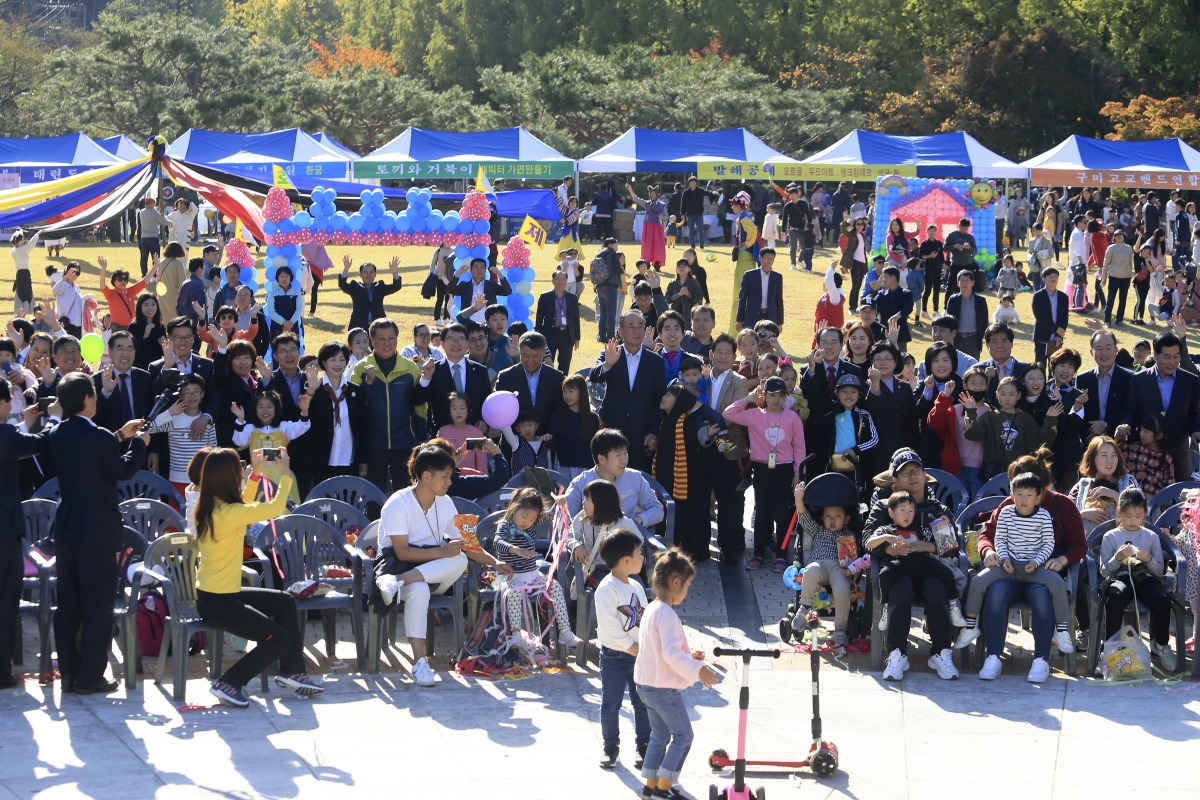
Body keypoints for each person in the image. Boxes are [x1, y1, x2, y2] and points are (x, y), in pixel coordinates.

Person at [192, 447, 323, 705]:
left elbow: (242, 505)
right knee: (279, 638)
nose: (242, 471)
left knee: (284, 602)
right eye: (239, 469)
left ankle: (292, 672)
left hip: (221, 595)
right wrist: (286, 473)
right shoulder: (228, 513)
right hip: (220, 603)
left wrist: (256, 474)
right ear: (227, 477)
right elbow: (273, 508)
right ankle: (230, 682)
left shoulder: (215, 507)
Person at [374, 445, 511, 686]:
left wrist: (496, 562)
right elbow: (401, 551)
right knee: (419, 589)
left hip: (420, 575)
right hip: (396, 566)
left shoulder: (445, 502)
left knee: (458, 557)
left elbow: (469, 544)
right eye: (446, 476)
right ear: (426, 476)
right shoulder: (398, 502)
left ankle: (399, 583)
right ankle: (419, 663)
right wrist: (441, 551)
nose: (450, 481)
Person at [50, 372, 148, 694]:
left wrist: (119, 435)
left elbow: (89, 453)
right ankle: (91, 676)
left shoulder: (58, 433)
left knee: (69, 605)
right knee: (97, 605)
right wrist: (137, 444)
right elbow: (122, 470)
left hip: (67, 530)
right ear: (88, 399)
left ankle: (69, 674)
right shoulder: (100, 436)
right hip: (97, 532)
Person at [861, 450, 961, 681]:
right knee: (901, 586)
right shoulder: (887, 506)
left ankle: (941, 652)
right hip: (897, 570)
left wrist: (931, 547)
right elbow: (866, 537)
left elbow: (952, 547)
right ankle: (897, 653)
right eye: (906, 472)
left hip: (930, 568)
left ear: (925, 475)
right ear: (895, 480)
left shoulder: (937, 509)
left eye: (917, 471)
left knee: (937, 586)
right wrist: (886, 548)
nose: (913, 476)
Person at [955, 471, 1076, 658]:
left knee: (1058, 583)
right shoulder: (1005, 512)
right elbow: (1000, 539)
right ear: (1012, 495)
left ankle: (1061, 630)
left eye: (1029, 495)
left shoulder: (1044, 516)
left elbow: (1048, 544)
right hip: (1008, 566)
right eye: (1019, 495)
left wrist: (1036, 562)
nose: (1023, 500)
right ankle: (971, 625)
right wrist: (1003, 558)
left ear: (1038, 498)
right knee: (978, 581)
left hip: (1034, 567)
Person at [634, 548, 719, 800]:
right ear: (675, 582)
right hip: (662, 688)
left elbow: (661, 651)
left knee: (660, 735)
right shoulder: (667, 614)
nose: (687, 590)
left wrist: (689, 657)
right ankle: (663, 788)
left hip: (647, 685)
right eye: (688, 585)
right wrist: (698, 670)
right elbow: (670, 654)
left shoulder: (652, 609)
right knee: (684, 735)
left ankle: (650, 784)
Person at [723, 376, 805, 571]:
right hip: (761, 469)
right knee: (762, 512)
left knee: (781, 513)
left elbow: (799, 447)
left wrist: (798, 474)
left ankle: (782, 555)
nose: (776, 400)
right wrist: (749, 399)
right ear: (765, 396)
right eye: (772, 395)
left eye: (780, 396)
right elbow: (729, 414)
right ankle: (759, 554)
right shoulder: (755, 414)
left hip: (784, 469)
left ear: (785, 397)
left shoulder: (792, 417)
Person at [0, 378, 50, 685]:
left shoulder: (9, 434)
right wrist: (49, 418)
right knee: (6, 600)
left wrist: (25, 426)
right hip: (4, 532)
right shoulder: (6, 433)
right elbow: (41, 443)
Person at [349, 319, 434, 493]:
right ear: (372, 340)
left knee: (405, 494)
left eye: (391, 338)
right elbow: (356, 407)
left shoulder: (410, 368)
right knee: (373, 495)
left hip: (404, 443)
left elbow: (419, 406)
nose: (387, 343)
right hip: (373, 445)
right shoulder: (361, 368)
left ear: (397, 338)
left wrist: (419, 436)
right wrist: (369, 384)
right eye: (381, 338)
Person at [491, 487, 581, 647]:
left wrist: (558, 504)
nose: (527, 522)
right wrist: (516, 550)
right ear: (514, 508)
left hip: (531, 574)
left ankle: (564, 631)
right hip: (510, 576)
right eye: (524, 517)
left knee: (555, 587)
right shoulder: (505, 524)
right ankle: (516, 635)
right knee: (514, 592)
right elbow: (497, 542)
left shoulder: (534, 522)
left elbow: (551, 516)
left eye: (532, 520)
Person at [1099, 488, 1177, 671]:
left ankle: (1161, 644)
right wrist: (1117, 558)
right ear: (1119, 513)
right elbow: (1103, 571)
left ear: (1145, 515)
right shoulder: (1110, 536)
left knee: (1162, 602)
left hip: (1147, 578)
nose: (1133, 521)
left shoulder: (1150, 536)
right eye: (1128, 516)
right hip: (1120, 577)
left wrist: (1148, 558)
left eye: (1138, 516)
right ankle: (1110, 649)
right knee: (1115, 600)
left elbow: (1159, 571)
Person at [594, 529, 650, 771]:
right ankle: (610, 747)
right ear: (626, 560)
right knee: (611, 703)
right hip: (615, 658)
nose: (643, 558)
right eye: (640, 553)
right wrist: (632, 647)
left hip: (639, 656)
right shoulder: (607, 589)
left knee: (643, 702)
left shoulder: (636, 586)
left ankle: (644, 745)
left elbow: (645, 618)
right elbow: (609, 628)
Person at [589, 312, 667, 472]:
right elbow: (594, 377)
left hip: (642, 432)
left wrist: (654, 432)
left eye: (640, 327)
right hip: (612, 426)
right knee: (609, 475)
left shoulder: (656, 361)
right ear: (620, 331)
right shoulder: (610, 353)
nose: (637, 331)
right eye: (632, 327)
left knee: (640, 477)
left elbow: (658, 398)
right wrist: (608, 364)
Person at [1118, 332, 1200, 482]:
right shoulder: (1139, 380)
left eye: (1176, 356)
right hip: (1146, 457)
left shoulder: (1191, 381)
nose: (1172, 362)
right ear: (1155, 355)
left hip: (1179, 457)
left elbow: (1195, 413)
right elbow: (1132, 412)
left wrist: (1196, 430)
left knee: (1180, 501)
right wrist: (1126, 425)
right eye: (1167, 357)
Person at [292, 339, 369, 490]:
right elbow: (302, 420)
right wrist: (311, 392)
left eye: (342, 360)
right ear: (323, 362)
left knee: (347, 504)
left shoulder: (356, 391)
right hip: (321, 460)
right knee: (324, 507)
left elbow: (363, 427)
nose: (338, 364)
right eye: (332, 360)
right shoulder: (313, 388)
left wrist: (363, 459)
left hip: (349, 459)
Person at [563, 428, 666, 531]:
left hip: (627, 541)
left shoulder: (635, 478)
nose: (624, 460)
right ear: (602, 459)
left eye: (625, 453)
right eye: (619, 455)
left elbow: (657, 509)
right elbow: (566, 521)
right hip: (591, 543)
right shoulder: (580, 483)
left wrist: (635, 520)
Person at [495, 331, 564, 438]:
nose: (530, 361)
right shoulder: (506, 377)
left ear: (544, 352)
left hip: (547, 441)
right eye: (526, 356)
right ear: (519, 351)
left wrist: (551, 434)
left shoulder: (556, 377)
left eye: (536, 356)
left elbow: (561, 410)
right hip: (514, 442)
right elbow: (498, 409)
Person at [423, 323, 490, 434]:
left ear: (467, 343)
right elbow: (418, 399)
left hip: (474, 433)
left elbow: (487, 402)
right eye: (451, 339)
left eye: (461, 339)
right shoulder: (433, 370)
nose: (456, 343)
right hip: (443, 435)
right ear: (442, 344)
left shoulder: (480, 371)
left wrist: (483, 421)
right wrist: (426, 377)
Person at [549, 374, 599, 480]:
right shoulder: (558, 414)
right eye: (564, 391)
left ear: (581, 392)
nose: (567, 395)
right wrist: (547, 440)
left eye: (571, 391)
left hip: (586, 467)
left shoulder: (593, 418)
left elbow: (595, 446)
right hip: (564, 465)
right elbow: (552, 441)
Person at [338, 255, 401, 332]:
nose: (368, 275)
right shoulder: (355, 287)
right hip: (358, 324)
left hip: (378, 325)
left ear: (375, 274)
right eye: (365, 272)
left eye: (371, 272)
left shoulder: (380, 286)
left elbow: (396, 287)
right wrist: (345, 270)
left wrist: (395, 273)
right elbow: (343, 285)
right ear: (360, 274)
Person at [535, 271, 581, 374]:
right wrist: (538, 336)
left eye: (563, 278)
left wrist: (577, 338)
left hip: (567, 335)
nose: (561, 281)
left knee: (565, 364)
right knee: (547, 363)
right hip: (550, 334)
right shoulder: (545, 297)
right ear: (553, 281)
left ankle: (562, 386)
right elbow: (539, 318)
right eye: (558, 278)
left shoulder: (572, 298)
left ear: (567, 281)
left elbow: (576, 319)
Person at [1117, 416, 1174, 498]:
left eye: (1146, 432)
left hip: (1152, 500)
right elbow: (1117, 449)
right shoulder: (1133, 448)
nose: (1142, 434)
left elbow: (1169, 486)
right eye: (1141, 430)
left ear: (1159, 436)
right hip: (1128, 496)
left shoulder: (1166, 459)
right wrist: (1120, 435)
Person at [734, 246, 783, 332]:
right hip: (752, 316)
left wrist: (779, 323)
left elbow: (779, 301)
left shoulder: (777, 277)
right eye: (768, 258)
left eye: (772, 258)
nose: (770, 261)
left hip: (770, 316)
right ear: (760, 258)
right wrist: (739, 320)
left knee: (768, 343)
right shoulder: (749, 275)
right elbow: (742, 299)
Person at [454, 257, 515, 326]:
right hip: (468, 324)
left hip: (488, 324)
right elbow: (450, 290)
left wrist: (499, 275)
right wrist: (458, 273)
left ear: (485, 270)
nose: (479, 269)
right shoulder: (465, 285)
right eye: (476, 267)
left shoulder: (491, 285)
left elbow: (507, 291)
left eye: (482, 267)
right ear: (471, 269)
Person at [945, 270, 989, 360]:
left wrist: (980, 336)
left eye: (967, 280)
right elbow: (947, 320)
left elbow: (985, 321)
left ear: (972, 282)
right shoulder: (953, 300)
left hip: (973, 340)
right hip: (957, 339)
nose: (964, 283)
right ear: (958, 283)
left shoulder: (980, 301)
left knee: (973, 367)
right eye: (962, 280)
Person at [97, 256, 149, 331]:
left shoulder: (130, 291)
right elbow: (102, 286)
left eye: (125, 279)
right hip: (118, 329)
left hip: (131, 328)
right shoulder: (111, 294)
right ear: (114, 281)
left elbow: (145, 281)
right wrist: (103, 269)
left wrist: (156, 266)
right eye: (120, 279)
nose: (123, 281)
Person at [1030, 267, 1069, 366]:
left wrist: (1059, 334)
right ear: (1043, 279)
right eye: (1050, 276)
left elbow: (1065, 317)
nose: (1053, 279)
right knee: (1040, 367)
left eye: (1055, 276)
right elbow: (1039, 316)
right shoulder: (1038, 296)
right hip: (1042, 337)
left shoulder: (1063, 297)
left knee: (1055, 367)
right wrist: (1056, 329)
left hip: (1056, 340)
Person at [626, 183, 668, 267]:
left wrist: (663, 217)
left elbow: (666, 216)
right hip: (648, 226)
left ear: (656, 194)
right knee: (648, 244)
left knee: (658, 244)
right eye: (651, 193)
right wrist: (630, 189)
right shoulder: (646, 203)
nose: (653, 195)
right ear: (649, 194)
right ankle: (647, 262)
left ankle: (657, 263)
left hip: (657, 226)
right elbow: (636, 198)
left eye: (654, 193)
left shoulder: (662, 205)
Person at [593, 238, 624, 342]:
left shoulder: (599, 254)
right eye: (616, 244)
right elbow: (617, 268)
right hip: (610, 286)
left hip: (600, 286)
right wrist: (621, 269)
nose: (617, 246)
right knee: (611, 314)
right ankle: (610, 337)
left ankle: (601, 336)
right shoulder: (612, 254)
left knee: (603, 313)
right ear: (610, 244)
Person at [265, 266, 304, 344]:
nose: (284, 279)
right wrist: (284, 323)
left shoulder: (296, 293)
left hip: (293, 325)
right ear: (277, 278)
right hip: (277, 325)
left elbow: (298, 310)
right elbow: (271, 312)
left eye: (286, 276)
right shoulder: (273, 293)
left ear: (290, 278)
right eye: (281, 276)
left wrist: (290, 324)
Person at [127, 294, 166, 372]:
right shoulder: (133, 327)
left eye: (153, 304)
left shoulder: (160, 327)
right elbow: (131, 350)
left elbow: (163, 354)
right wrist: (145, 336)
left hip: (156, 369)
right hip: (138, 368)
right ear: (140, 307)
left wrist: (163, 345)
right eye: (146, 305)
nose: (150, 308)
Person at [680, 176, 716, 250]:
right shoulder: (686, 193)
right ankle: (692, 245)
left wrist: (712, 192)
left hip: (699, 214)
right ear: (689, 183)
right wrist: (682, 214)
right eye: (691, 182)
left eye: (694, 182)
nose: (693, 184)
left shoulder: (700, 190)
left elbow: (707, 192)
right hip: (689, 214)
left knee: (701, 230)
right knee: (691, 231)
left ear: (696, 183)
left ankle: (701, 244)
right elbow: (683, 204)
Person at [137, 198, 170, 277]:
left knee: (144, 257)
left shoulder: (141, 212)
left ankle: (144, 274)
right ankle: (155, 275)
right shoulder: (154, 212)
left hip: (144, 237)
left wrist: (158, 209)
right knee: (155, 257)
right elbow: (163, 221)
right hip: (153, 237)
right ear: (151, 204)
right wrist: (170, 222)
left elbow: (152, 213)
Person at [943, 218, 977, 292]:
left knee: (968, 287)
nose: (964, 230)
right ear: (959, 225)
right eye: (962, 228)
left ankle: (967, 303)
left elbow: (975, 252)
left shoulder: (970, 237)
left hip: (967, 265)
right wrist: (954, 246)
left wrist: (969, 248)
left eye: (966, 229)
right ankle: (947, 303)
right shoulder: (952, 235)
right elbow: (945, 248)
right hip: (955, 264)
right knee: (950, 287)